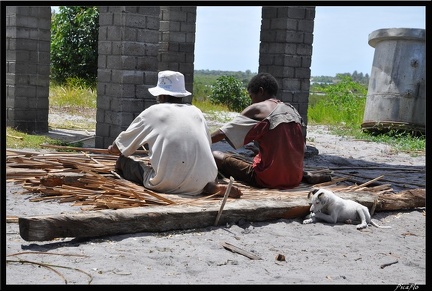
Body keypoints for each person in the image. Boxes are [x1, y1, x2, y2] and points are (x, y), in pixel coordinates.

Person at [107, 70, 242, 198]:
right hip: (207, 177)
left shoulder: (153, 112)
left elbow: (120, 148)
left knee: (123, 161)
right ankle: (210, 187)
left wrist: (112, 149)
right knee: (197, 178)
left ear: (162, 95)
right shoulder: (196, 112)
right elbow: (207, 144)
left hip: (168, 183)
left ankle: (181, 181)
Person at [211, 72, 329, 189]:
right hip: (295, 178)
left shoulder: (258, 109)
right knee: (255, 156)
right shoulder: (291, 110)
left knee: (216, 155)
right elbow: (297, 149)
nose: (252, 101)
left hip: (268, 180)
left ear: (261, 91)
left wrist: (200, 139)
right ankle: (304, 175)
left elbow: (222, 133)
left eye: (252, 96)